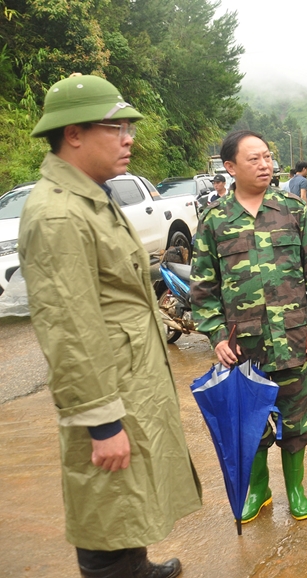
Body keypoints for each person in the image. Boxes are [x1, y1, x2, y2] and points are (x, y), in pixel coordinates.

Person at [18, 73, 202, 578]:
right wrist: (101, 423)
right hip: (106, 386)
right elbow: (68, 330)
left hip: (126, 374)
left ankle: (136, 565)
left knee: (127, 492)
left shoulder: (90, 197)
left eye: (129, 127)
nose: (129, 138)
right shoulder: (57, 214)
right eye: (115, 127)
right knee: (105, 500)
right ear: (72, 134)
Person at [190, 130, 307, 525]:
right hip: (244, 346)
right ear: (231, 167)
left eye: (268, 157)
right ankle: (260, 489)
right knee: (249, 422)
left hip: (294, 337)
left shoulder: (292, 210)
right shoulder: (215, 221)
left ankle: (296, 490)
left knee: (297, 419)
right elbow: (203, 289)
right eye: (254, 159)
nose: (265, 164)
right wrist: (217, 335)